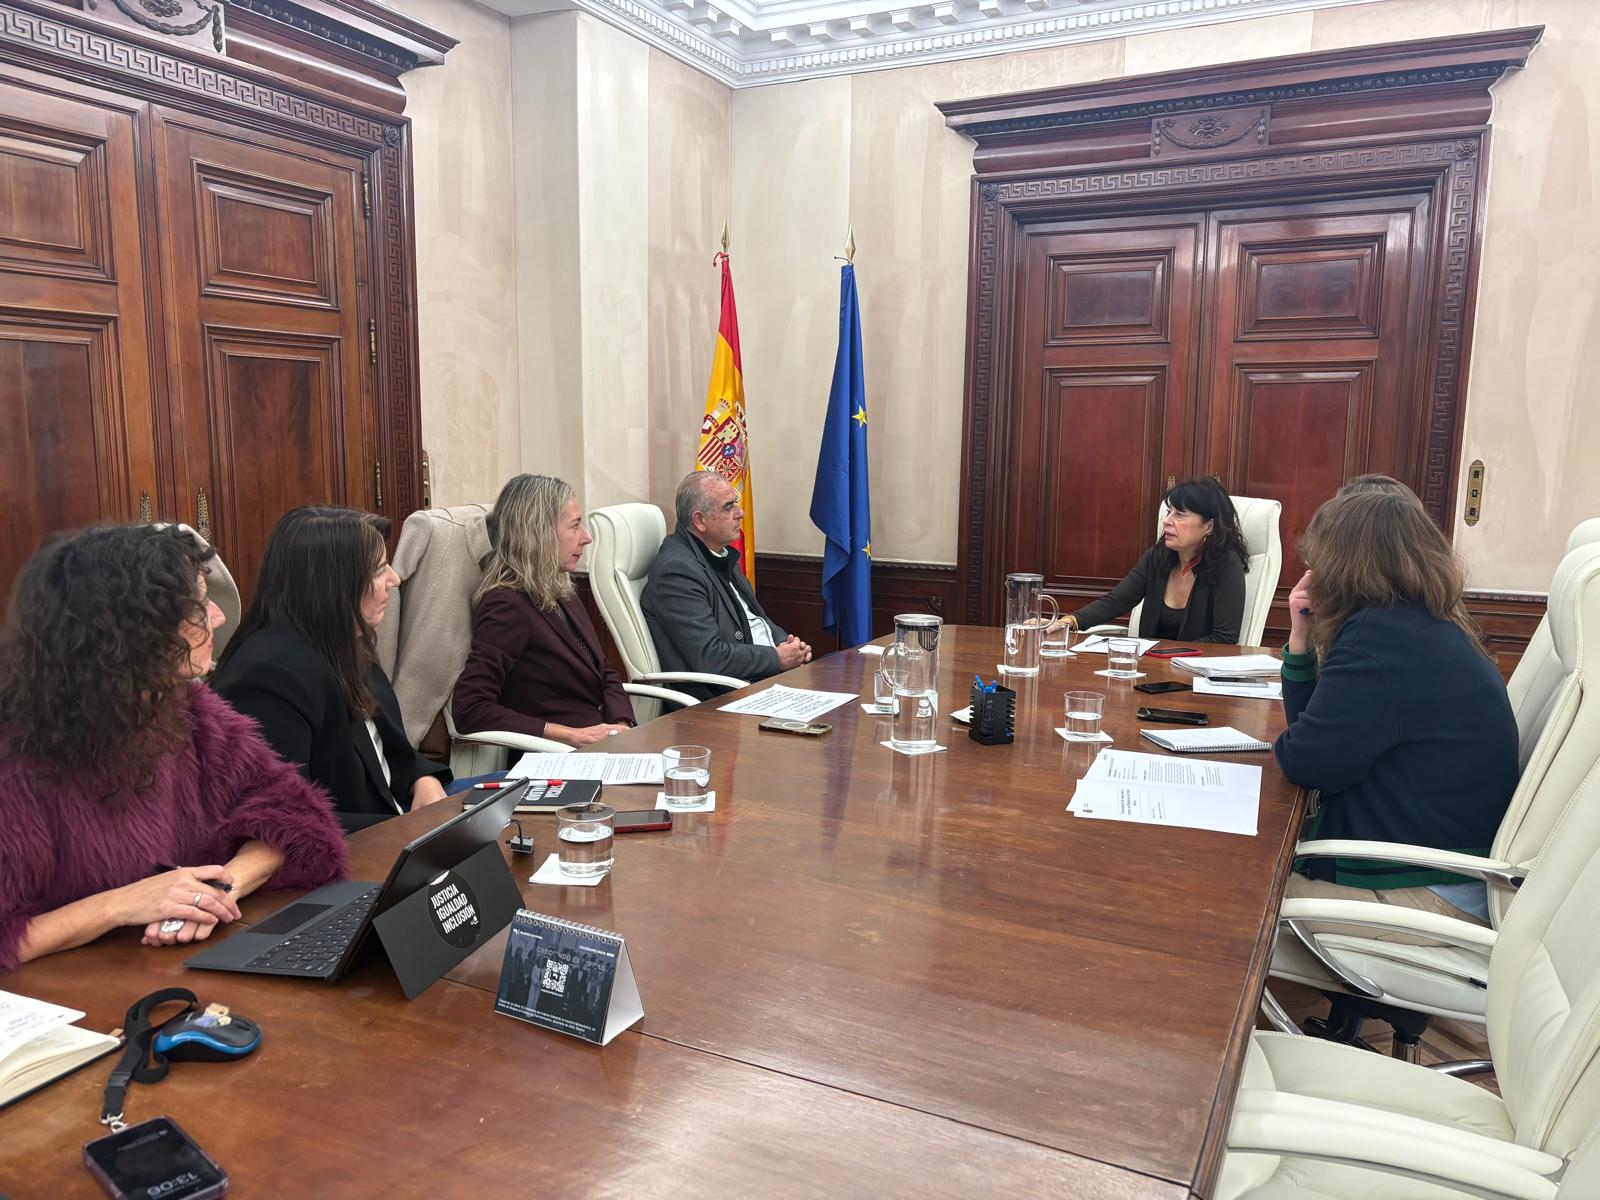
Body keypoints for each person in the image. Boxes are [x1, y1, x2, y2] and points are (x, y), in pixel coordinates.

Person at [0, 525, 347, 969]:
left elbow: (293, 817)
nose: (218, 617)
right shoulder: (19, 757)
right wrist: (122, 904)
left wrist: (218, 890)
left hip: (178, 973)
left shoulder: (189, 711)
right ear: (130, 629)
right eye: (198, 606)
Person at [1275, 489, 1518, 924]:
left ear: (1343, 566)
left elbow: (1306, 761)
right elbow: (1315, 737)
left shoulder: (1379, 639)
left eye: (1319, 561)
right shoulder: (1425, 623)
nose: (1312, 572)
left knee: (1231, 893)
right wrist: (1301, 639)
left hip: (1426, 893)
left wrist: (1306, 648)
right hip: (1453, 875)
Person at [213, 507, 450, 832]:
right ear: (334, 585)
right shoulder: (268, 679)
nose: (394, 580)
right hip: (352, 852)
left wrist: (422, 778)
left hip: (401, 819)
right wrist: (402, 829)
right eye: (380, 569)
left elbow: (386, 746)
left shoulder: (347, 637)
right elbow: (282, 819)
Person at [453, 474, 635, 747]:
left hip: (606, 745)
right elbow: (470, 708)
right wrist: (569, 735)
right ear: (538, 534)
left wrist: (621, 725)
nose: (586, 537)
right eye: (574, 526)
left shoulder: (561, 588)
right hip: (558, 757)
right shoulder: (506, 604)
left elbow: (604, 672)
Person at [642, 472, 811, 698]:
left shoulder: (718, 553)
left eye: (736, 504)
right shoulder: (676, 571)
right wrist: (777, 658)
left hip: (762, 680)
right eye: (728, 507)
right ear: (699, 520)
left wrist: (789, 646)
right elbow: (709, 657)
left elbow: (756, 618)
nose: (740, 513)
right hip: (723, 698)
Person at [1061, 477, 1249, 643]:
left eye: (1180, 515)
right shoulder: (1158, 557)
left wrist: (1168, 658)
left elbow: (1224, 638)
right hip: (1149, 671)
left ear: (1208, 526)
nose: (1167, 520)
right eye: (1169, 512)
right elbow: (1116, 601)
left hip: (1196, 675)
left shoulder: (1226, 565)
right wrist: (1069, 622)